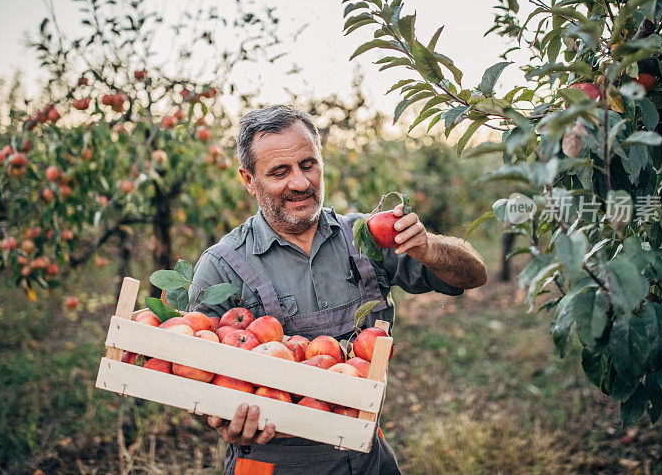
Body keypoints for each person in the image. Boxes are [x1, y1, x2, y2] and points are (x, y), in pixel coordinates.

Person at [188, 105, 487, 474]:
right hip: (275, 464)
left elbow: (474, 274)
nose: (299, 183)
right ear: (249, 180)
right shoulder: (221, 266)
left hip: (366, 455)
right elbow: (193, 376)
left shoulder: (365, 237)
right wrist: (220, 418)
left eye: (308, 165)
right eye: (279, 172)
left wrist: (428, 248)